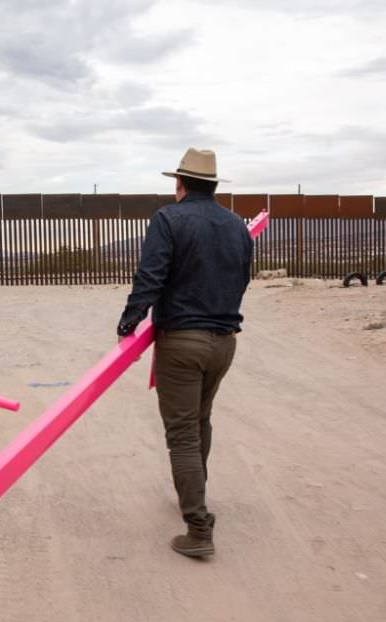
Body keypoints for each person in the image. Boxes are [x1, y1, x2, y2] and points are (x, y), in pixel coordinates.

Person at [116, 148, 252, 559]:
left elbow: (151, 275)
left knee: (182, 435)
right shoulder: (236, 227)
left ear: (180, 183)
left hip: (182, 342)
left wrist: (129, 322)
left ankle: (198, 527)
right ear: (212, 185)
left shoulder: (168, 219)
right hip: (224, 341)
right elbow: (243, 278)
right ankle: (193, 493)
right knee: (200, 419)